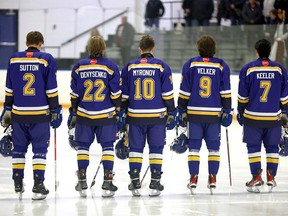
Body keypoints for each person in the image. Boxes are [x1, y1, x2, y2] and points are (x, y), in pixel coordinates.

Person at [0, 31, 62, 200]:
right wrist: (55, 110)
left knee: (18, 149)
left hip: (19, 114)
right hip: (40, 115)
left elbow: (9, 89)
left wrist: (7, 108)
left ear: (26, 43)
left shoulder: (14, 59)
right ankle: (38, 185)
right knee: (40, 150)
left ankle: (18, 183)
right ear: (41, 43)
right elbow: (51, 90)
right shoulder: (46, 59)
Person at [120, 34, 177, 197]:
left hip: (135, 115)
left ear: (140, 49)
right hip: (157, 116)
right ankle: (155, 181)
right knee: (156, 148)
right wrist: (171, 112)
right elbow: (167, 94)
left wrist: (122, 112)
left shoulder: (129, 67)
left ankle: (135, 181)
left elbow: (124, 95)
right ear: (153, 49)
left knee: (135, 149)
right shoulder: (161, 66)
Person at [177, 35, 233, 194]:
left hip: (194, 114)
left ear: (199, 48)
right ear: (213, 48)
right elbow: (226, 92)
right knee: (214, 148)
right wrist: (227, 111)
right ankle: (212, 177)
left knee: (194, 148)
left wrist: (180, 110)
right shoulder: (222, 66)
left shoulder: (190, 64)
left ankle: (193, 178)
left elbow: (184, 92)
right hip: (214, 115)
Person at [68, 35, 122, 197]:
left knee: (83, 147)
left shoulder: (79, 66)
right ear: (103, 48)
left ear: (89, 48)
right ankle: (107, 181)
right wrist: (118, 108)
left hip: (84, 114)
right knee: (107, 147)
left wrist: (75, 111)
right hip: (105, 115)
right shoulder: (111, 67)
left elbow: (74, 93)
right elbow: (115, 93)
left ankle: (82, 180)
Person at [237, 38, 288, 193]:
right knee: (272, 147)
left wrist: (241, 111)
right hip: (274, 117)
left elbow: (242, 96)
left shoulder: (248, 69)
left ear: (257, 51)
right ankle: (271, 177)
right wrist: (284, 113)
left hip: (253, 117)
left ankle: (256, 178)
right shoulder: (280, 69)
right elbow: (284, 97)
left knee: (253, 148)